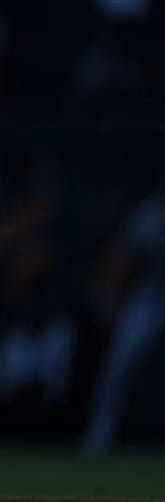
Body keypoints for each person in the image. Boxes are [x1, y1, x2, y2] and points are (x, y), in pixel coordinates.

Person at [82, 166, 165, 455]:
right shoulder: (146, 218)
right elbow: (119, 260)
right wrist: (109, 295)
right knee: (121, 358)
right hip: (153, 292)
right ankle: (99, 436)